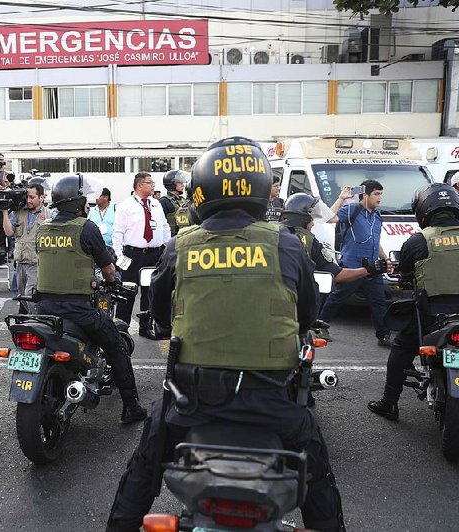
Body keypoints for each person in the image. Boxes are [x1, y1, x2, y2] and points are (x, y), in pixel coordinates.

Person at [106, 137, 345, 532]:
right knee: (318, 480)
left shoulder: (178, 246)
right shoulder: (286, 244)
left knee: (142, 471)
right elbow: (307, 317)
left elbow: (161, 318)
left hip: (192, 401)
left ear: (202, 190)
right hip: (272, 399)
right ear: (260, 188)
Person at [35, 174, 146, 424]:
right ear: (77, 203)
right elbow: (108, 268)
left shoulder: (43, 229)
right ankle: (131, 407)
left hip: (43, 309)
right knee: (116, 348)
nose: (88, 205)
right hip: (79, 310)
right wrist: (111, 282)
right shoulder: (86, 228)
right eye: (85, 201)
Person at [368, 183, 459, 421]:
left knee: (401, 348)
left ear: (424, 210)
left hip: (433, 317)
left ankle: (389, 403)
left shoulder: (418, 241)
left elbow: (405, 272)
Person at [318, 180, 393, 346]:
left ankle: (384, 335)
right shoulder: (353, 209)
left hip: (372, 268)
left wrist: (385, 257)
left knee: (378, 302)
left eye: (381, 194)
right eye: (376, 194)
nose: (380, 197)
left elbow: (375, 241)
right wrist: (341, 198)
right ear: (365, 195)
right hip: (352, 267)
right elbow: (329, 218)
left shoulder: (376, 215)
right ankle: (320, 326)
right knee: (337, 298)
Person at [112, 172, 171, 339]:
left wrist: (166, 248)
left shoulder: (156, 204)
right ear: (139, 185)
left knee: (149, 292)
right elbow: (117, 233)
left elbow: (164, 227)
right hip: (133, 254)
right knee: (128, 292)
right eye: (149, 183)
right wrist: (119, 256)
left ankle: (145, 327)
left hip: (154, 254)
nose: (153, 185)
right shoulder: (125, 206)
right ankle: (122, 328)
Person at [280, 193, 388, 283]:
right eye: (312, 219)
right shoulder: (310, 242)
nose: (313, 223)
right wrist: (369, 270)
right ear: (305, 218)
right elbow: (337, 274)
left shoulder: (270, 233)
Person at [1, 180, 48, 314]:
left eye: (32, 197)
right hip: (20, 262)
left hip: (37, 263)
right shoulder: (18, 212)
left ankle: (36, 322)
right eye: (27, 196)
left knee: (30, 295)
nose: (28, 200)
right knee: (22, 296)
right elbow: (9, 232)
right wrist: (4, 212)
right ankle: (30, 320)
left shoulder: (49, 215)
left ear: (41, 197)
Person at [158, 170, 190, 237]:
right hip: (172, 238)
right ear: (172, 184)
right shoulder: (163, 202)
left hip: (184, 236)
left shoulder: (183, 199)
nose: (183, 185)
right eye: (179, 182)